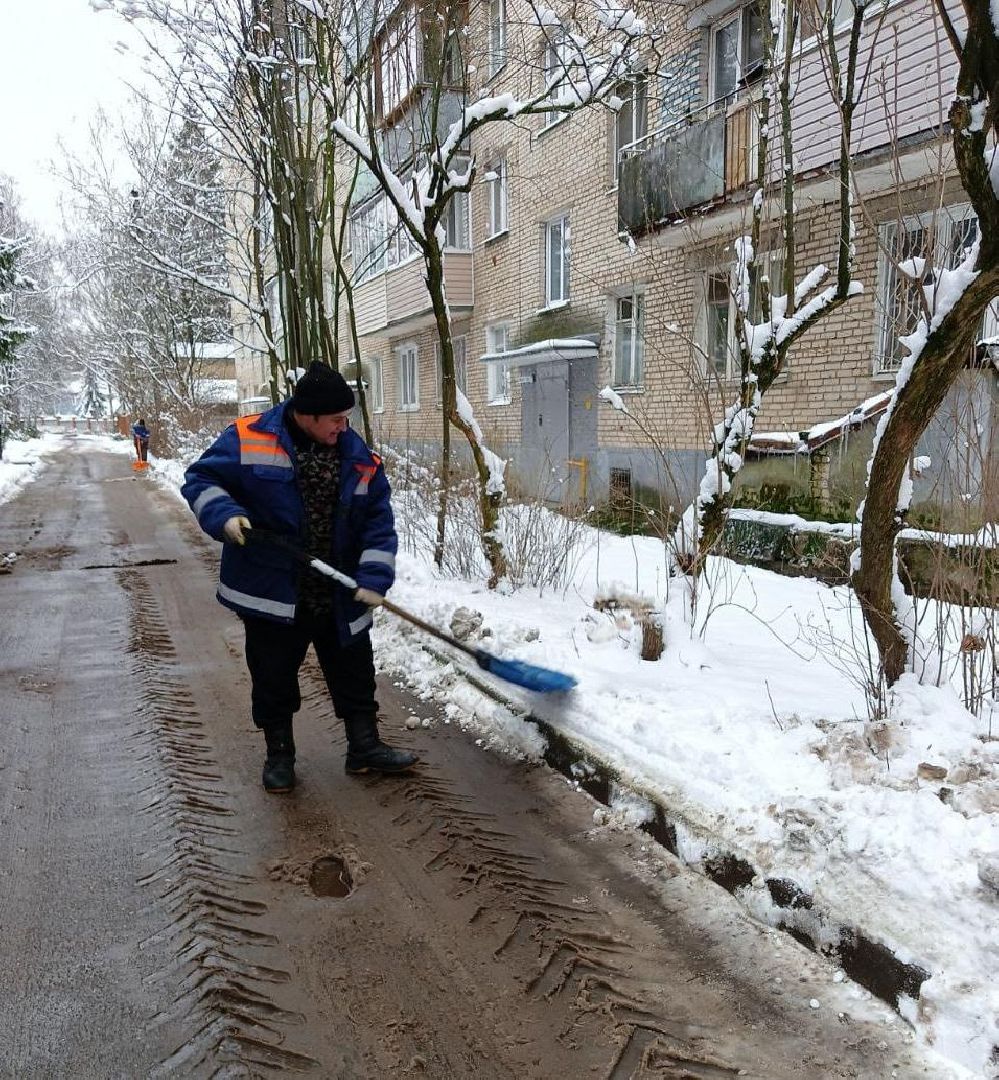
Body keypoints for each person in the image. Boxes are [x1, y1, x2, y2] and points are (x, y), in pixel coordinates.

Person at [180, 362, 417, 793]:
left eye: (347, 419)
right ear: (306, 415)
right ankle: (280, 755)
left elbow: (378, 523)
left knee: (354, 669)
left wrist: (374, 576)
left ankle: (364, 747)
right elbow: (201, 479)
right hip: (273, 587)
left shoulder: (359, 458)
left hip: (338, 587)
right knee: (273, 674)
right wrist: (226, 517)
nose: (344, 428)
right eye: (336, 420)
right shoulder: (248, 437)